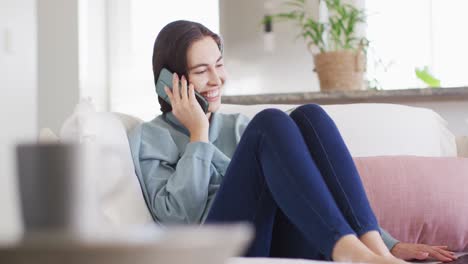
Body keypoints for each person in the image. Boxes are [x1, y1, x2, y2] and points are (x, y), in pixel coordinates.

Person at [129, 20, 457, 263]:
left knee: (309, 117)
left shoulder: (237, 127)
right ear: (170, 82)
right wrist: (198, 136)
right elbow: (180, 218)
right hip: (216, 247)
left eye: (219, 65)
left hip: (278, 237)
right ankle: (352, 254)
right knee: (270, 121)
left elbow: (306, 188)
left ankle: (375, 250)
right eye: (202, 71)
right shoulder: (152, 138)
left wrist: (392, 242)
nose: (216, 80)